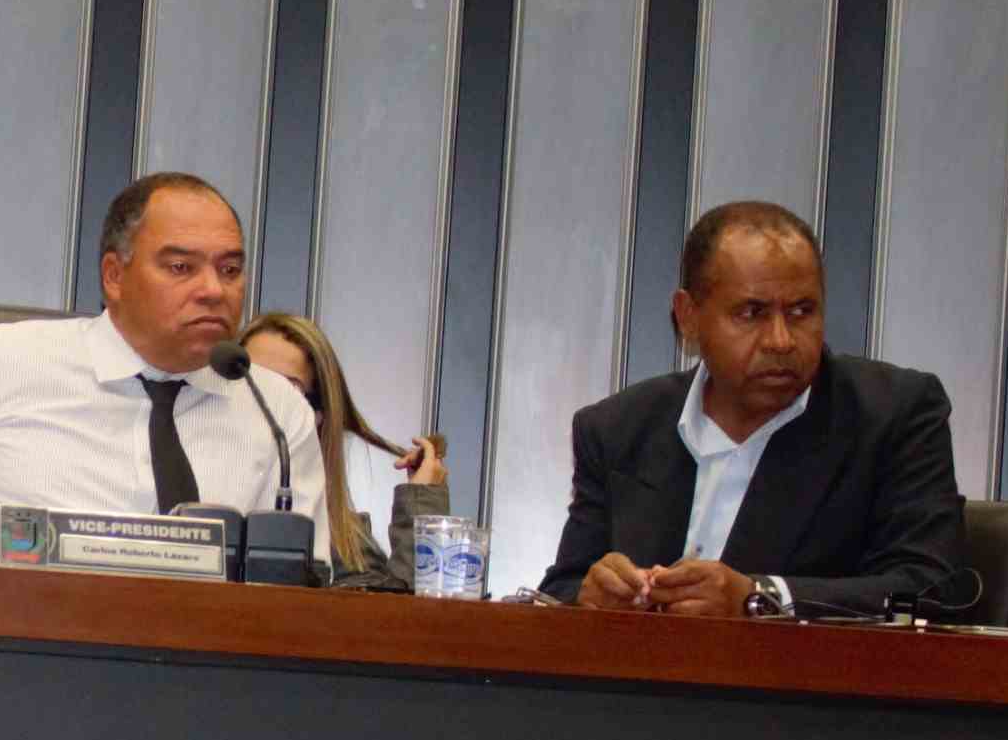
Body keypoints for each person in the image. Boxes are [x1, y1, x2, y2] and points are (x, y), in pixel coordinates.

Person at [0, 172, 322, 562]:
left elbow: (301, 584)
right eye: (181, 267)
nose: (213, 290)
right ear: (114, 276)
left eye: (230, 270)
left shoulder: (274, 411)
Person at [538, 198, 961, 616]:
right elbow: (561, 591)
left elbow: (933, 587)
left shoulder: (891, 415)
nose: (781, 340)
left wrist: (761, 598)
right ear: (688, 316)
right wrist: (592, 595)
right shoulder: (618, 429)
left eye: (802, 311)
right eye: (752, 313)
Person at [235, 311, 448, 590]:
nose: (259, 400)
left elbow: (398, 616)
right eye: (250, 381)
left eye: (286, 390)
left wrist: (421, 511)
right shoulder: (190, 501)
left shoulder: (340, 541)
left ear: (317, 416)